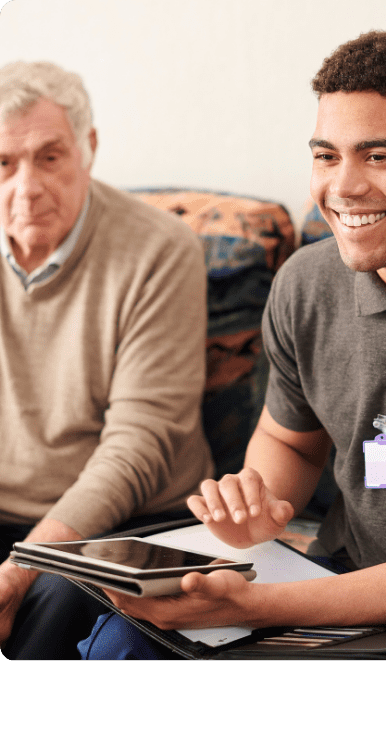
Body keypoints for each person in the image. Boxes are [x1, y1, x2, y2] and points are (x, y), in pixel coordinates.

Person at [79, 27, 386, 658]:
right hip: (338, 574)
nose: (342, 187)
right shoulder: (304, 283)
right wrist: (262, 502)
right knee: (121, 640)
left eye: (380, 157)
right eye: (326, 156)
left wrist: (260, 603)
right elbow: (289, 438)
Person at [0, 61, 212, 659]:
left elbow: (138, 447)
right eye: (3, 164)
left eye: (49, 156)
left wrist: (22, 568)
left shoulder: (160, 250)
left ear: (88, 148)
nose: (26, 188)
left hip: (128, 520)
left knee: (50, 625)